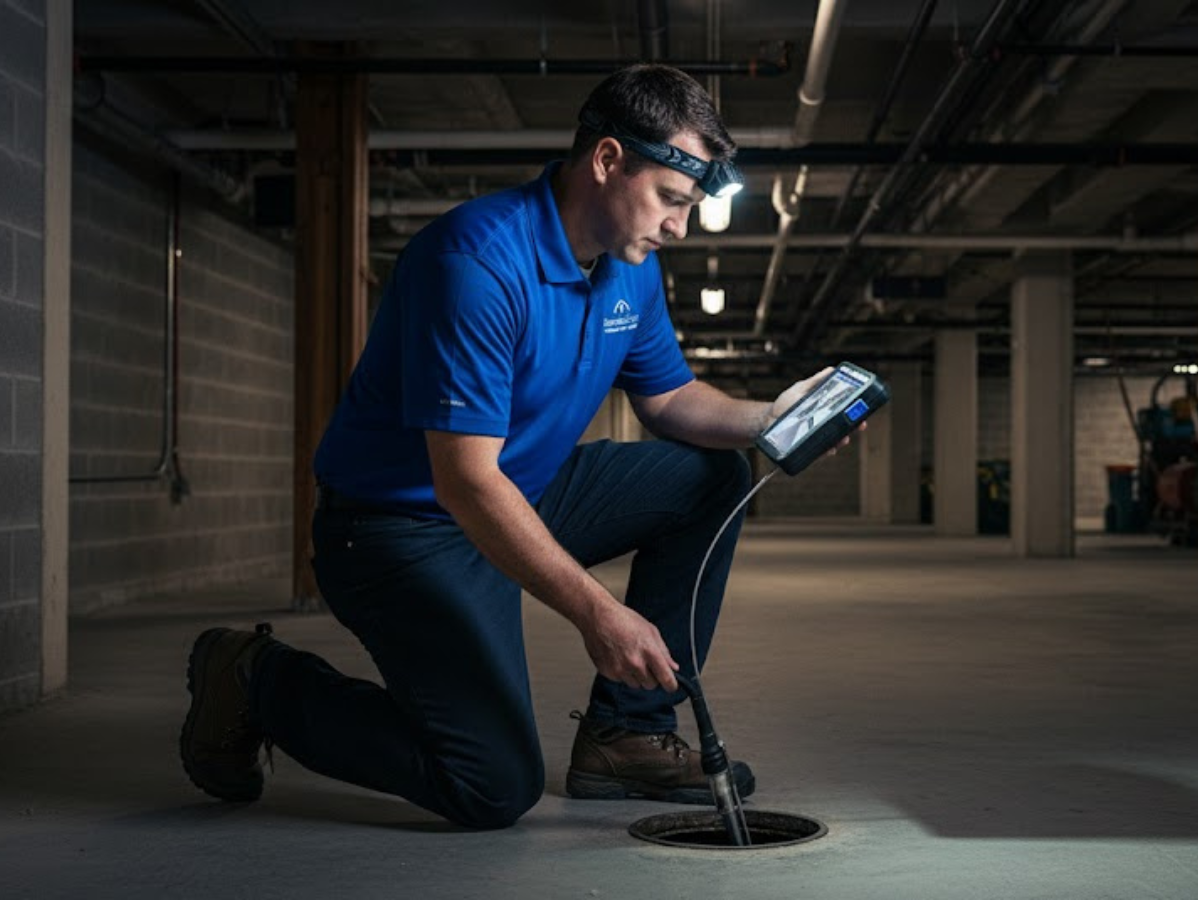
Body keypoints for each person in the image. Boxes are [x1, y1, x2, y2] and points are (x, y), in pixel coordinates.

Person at [179, 64, 848, 830]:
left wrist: (771, 418)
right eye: (670, 199)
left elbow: (666, 400)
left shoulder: (631, 270)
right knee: (492, 784)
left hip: (519, 490)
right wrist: (598, 614)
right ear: (606, 161)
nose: (678, 227)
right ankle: (257, 678)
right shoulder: (474, 263)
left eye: (689, 207)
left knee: (712, 476)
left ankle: (627, 734)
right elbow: (464, 484)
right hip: (400, 529)